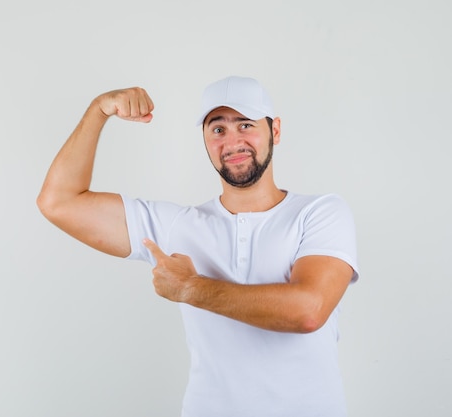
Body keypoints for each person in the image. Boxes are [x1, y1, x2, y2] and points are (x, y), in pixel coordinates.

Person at [37, 75, 359, 417]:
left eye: (246, 125)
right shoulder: (179, 226)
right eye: (217, 129)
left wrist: (191, 288)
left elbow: (309, 311)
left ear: (275, 131)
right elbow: (58, 201)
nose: (232, 142)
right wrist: (98, 110)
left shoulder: (319, 213)